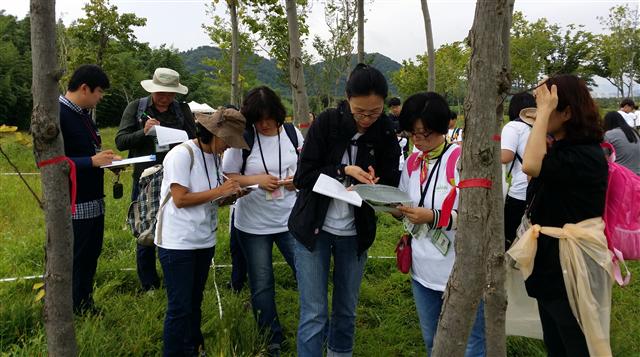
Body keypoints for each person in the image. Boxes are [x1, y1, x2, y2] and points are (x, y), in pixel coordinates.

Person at [288, 64, 401, 357]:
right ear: (347, 100)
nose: (366, 119)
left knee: (346, 310)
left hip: (355, 233)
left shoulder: (386, 129)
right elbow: (303, 177)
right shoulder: (326, 123)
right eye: (360, 112)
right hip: (315, 228)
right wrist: (343, 169)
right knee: (314, 312)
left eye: (374, 112)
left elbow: (392, 180)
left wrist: (376, 183)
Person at [521, 75, 609, 356]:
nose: (539, 113)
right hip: (551, 261)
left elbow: (531, 165)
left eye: (547, 106)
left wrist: (544, 112)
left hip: (571, 263)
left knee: (576, 341)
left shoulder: (584, 155)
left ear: (567, 112)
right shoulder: (561, 149)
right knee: (556, 340)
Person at [393, 92, 485, 356]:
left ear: (443, 127)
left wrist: (432, 217)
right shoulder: (412, 162)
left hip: (459, 270)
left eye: (426, 134)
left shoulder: (460, 160)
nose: (419, 140)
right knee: (433, 340)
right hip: (422, 270)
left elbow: (478, 215)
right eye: (413, 134)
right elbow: (404, 201)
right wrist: (396, 210)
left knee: (471, 343)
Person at [155, 108, 247, 356]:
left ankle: (194, 348)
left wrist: (230, 195)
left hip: (204, 240)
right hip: (178, 242)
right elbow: (180, 199)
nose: (227, 147)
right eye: (226, 141)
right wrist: (220, 191)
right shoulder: (182, 154)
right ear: (211, 133)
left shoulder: (215, 158)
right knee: (180, 307)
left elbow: (211, 198)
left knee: (194, 301)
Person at [222, 86, 303, 355]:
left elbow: (303, 166)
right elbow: (229, 176)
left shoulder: (292, 133)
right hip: (253, 224)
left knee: (305, 274)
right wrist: (257, 179)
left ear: (280, 114)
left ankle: (312, 327)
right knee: (262, 282)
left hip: (290, 220)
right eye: (259, 119)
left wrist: (296, 181)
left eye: (270, 118)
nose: (265, 124)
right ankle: (271, 337)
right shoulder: (243, 138)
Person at [115, 67, 197, 291]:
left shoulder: (183, 110)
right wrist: (144, 132)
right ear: (153, 90)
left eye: (170, 94)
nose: (165, 98)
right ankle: (149, 284)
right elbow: (121, 141)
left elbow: (195, 139)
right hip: (145, 178)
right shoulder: (137, 107)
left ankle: (177, 276)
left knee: (178, 227)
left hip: (177, 177)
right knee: (146, 231)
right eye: (161, 93)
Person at [58, 64, 118, 314]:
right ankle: (73, 307)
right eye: (99, 92)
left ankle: (84, 302)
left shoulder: (82, 114)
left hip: (93, 197)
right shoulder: (58, 114)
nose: (100, 97)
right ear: (85, 88)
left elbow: (84, 151)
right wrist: (91, 162)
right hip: (74, 201)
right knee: (78, 258)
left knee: (91, 255)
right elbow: (49, 162)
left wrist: (105, 160)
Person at [501, 92, 536, 248]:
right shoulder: (541, 127)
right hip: (539, 191)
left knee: (511, 239)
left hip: (520, 192)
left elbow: (505, 156)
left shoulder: (513, 126)